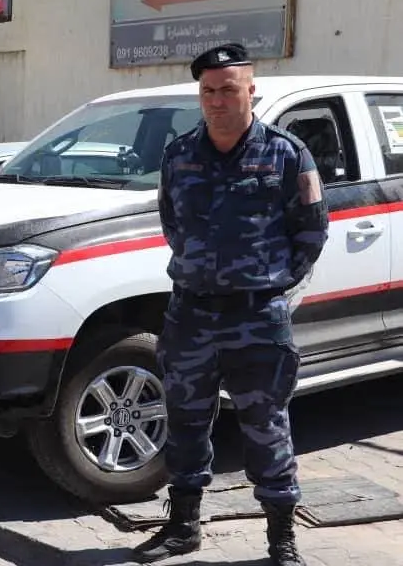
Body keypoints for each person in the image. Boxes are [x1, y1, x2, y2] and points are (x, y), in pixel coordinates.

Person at [133, 43, 329, 565]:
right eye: (208, 91)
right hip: (190, 314)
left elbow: (311, 231)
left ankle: (281, 538)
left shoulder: (287, 154)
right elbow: (171, 221)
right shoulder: (179, 154)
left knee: (266, 425)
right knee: (185, 422)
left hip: (256, 317)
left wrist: (269, 283)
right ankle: (183, 527)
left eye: (228, 89)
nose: (217, 100)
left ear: (250, 91)